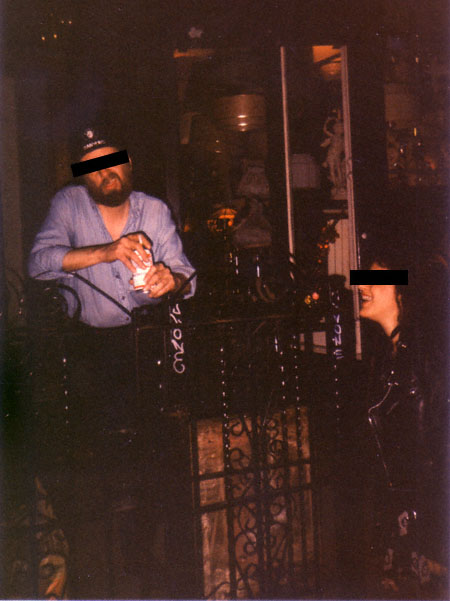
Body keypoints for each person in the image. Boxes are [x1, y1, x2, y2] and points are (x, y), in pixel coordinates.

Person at [27, 127, 196, 599]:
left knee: (159, 448)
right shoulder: (68, 205)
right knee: (98, 455)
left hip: (147, 342)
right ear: (83, 176)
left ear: (129, 163)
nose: (106, 173)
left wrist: (170, 279)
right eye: (94, 167)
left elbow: (188, 275)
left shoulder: (153, 211)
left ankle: (143, 547)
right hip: (89, 347)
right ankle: (95, 562)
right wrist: (106, 252)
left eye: (113, 161)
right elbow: (38, 262)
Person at [356, 253, 448, 598]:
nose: (361, 286)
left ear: (403, 293)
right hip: (403, 520)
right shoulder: (387, 357)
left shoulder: (429, 358)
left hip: (430, 525)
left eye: (375, 279)